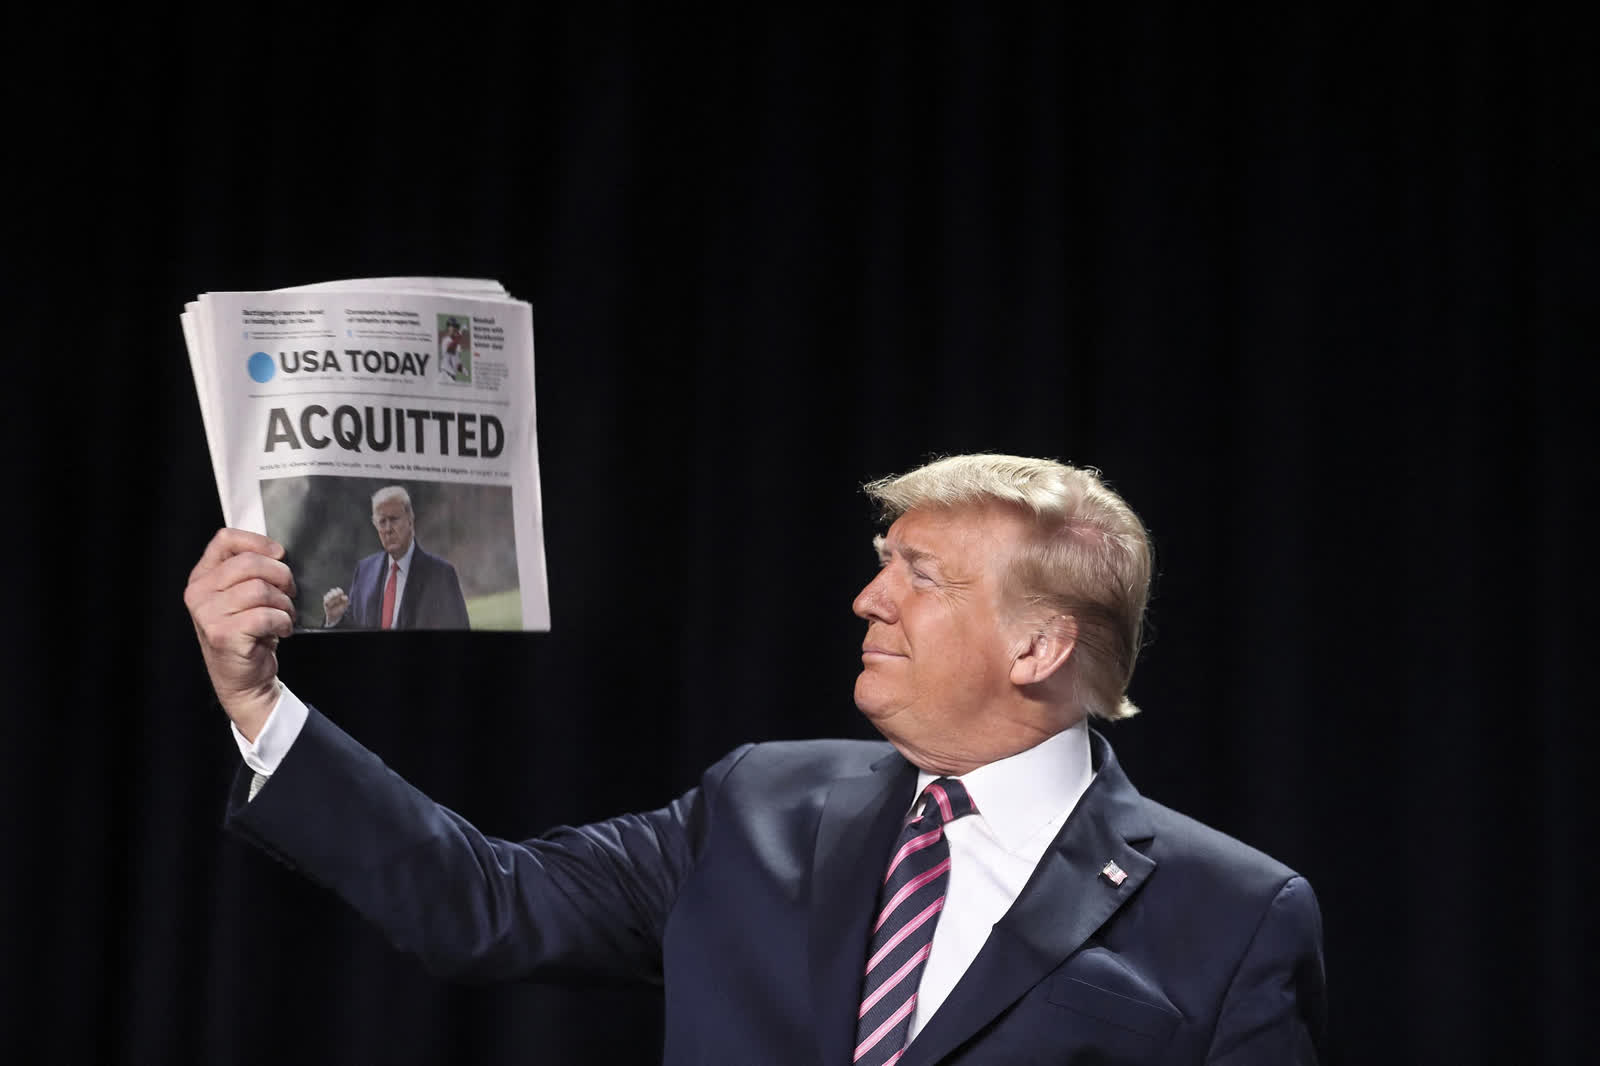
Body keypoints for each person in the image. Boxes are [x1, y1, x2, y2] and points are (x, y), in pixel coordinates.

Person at [186, 454, 1327, 1064]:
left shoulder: (1232, 913)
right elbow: (485, 902)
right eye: (883, 562)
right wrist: (258, 699)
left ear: (1039, 642)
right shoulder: (763, 803)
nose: (868, 597)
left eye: (920, 574)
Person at [322, 485, 470, 630]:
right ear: (376, 526)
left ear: (410, 521)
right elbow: (352, 629)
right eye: (382, 522)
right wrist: (334, 620)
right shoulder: (364, 571)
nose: (388, 529)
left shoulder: (441, 574)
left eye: (393, 519)